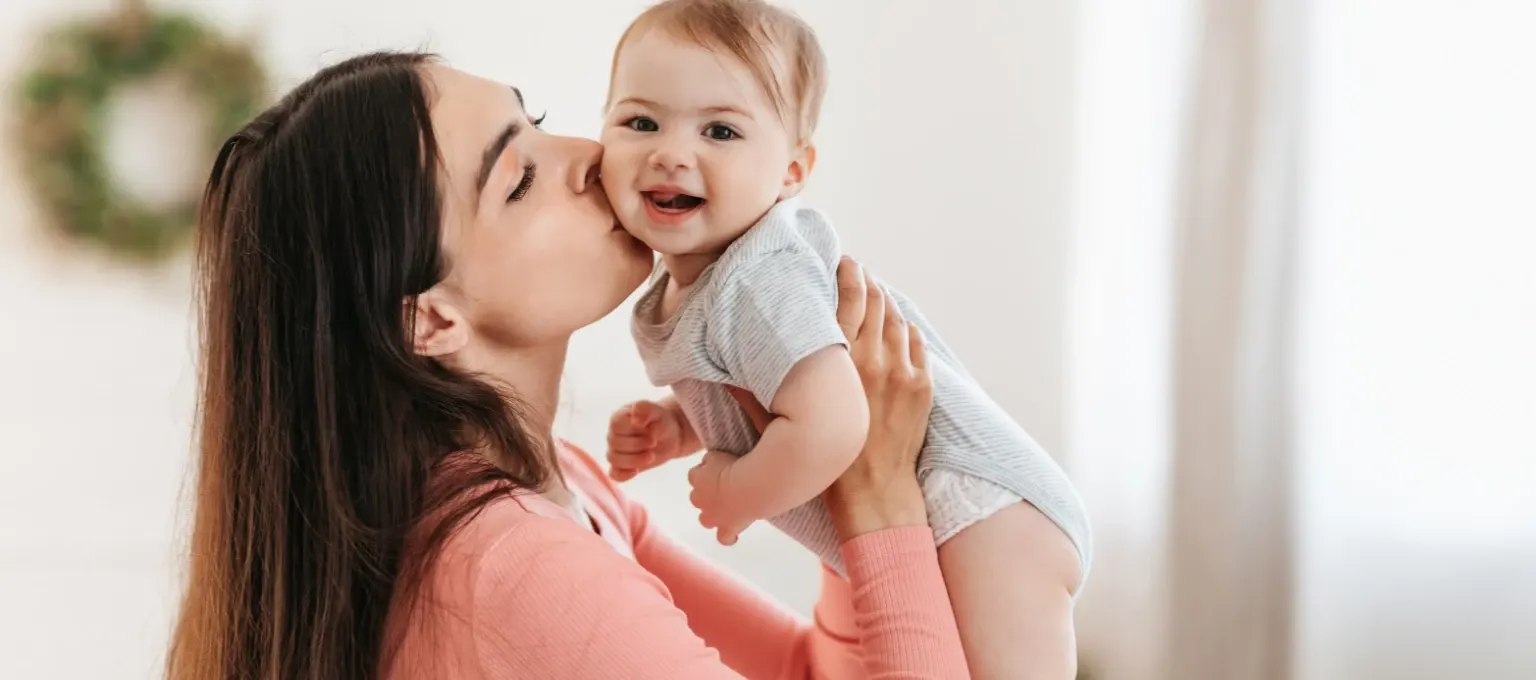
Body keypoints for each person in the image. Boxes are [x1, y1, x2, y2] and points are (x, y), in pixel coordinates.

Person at [164, 51, 971, 679]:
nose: (591, 156)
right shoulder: (510, 566)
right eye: (519, 179)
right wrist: (881, 499)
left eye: (538, 120)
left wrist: (832, 483)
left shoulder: (563, 488)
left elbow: (800, 669)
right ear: (431, 318)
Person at [600, 1, 1088, 676]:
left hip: (984, 510)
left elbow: (832, 422)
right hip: (945, 519)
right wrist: (681, 426)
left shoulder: (759, 278)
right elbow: (769, 390)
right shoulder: (707, 285)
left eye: (719, 130)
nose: (671, 152)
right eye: (641, 121)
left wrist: (737, 493)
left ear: (792, 172)